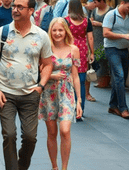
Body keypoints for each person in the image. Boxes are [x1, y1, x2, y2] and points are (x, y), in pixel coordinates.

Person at [0, 0, 53, 170]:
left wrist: (40, 86)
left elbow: (48, 64)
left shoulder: (41, 36)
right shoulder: (3, 33)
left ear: (31, 10)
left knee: (30, 138)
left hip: (30, 94)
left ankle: (21, 166)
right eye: (14, 6)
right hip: (5, 93)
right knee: (9, 135)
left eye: (20, 7)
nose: (15, 10)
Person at [39, 18, 82, 170]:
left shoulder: (74, 49)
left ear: (66, 31)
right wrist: (51, 76)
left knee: (65, 130)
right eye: (54, 30)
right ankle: (54, 166)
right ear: (50, 31)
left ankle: (64, 167)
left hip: (66, 92)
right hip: (49, 93)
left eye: (60, 30)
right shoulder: (46, 48)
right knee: (51, 132)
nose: (57, 33)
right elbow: (39, 72)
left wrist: (79, 100)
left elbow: (76, 76)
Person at [102, 0, 129, 120]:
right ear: (122, 3)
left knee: (121, 78)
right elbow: (105, 33)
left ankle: (112, 105)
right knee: (120, 76)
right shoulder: (111, 15)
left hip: (124, 50)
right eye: (128, 7)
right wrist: (124, 36)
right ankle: (123, 108)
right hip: (112, 49)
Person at [65, 0, 94, 119]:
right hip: (82, 51)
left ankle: (70, 107)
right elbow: (90, 38)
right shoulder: (87, 21)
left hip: (69, 50)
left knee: (69, 80)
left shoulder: (66, 21)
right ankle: (80, 109)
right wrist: (92, 53)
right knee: (81, 81)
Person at [89, 0, 112, 91]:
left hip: (106, 37)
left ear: (102, 1)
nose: (95, 4)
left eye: (96, 2)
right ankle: (99, 80)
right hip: (96, 37)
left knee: (105, 59)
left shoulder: (110, 11)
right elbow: (91, 19)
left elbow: (112, 25)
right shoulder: (94, 10)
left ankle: (105, 81)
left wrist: (99, 24)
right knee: (97, 58)